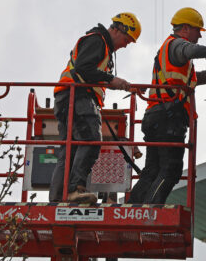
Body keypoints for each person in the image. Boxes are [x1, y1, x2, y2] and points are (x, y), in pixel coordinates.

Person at [128, 7, 206, 204]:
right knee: (170, 168)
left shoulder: (169, 50)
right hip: (168, 118)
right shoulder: (178, 45)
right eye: (197, 31)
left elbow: (192, 80)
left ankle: (133, 208)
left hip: (155, 115)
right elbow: (191, 50)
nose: (199, 37)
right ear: (185, 28)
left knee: (152, 170)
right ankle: (151, 211)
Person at [49, 12, 141, 203]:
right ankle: (74, 191)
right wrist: (111, 79)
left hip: (68, 96)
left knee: (69, 149)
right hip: (77, 96)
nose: (125, 45)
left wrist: (115, 82)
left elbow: (88, 71)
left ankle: (59, 197)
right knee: (90, 141)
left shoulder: (100, 44)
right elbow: (84, 68)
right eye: (126, 39)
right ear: (117, 29)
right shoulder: (98, 41)